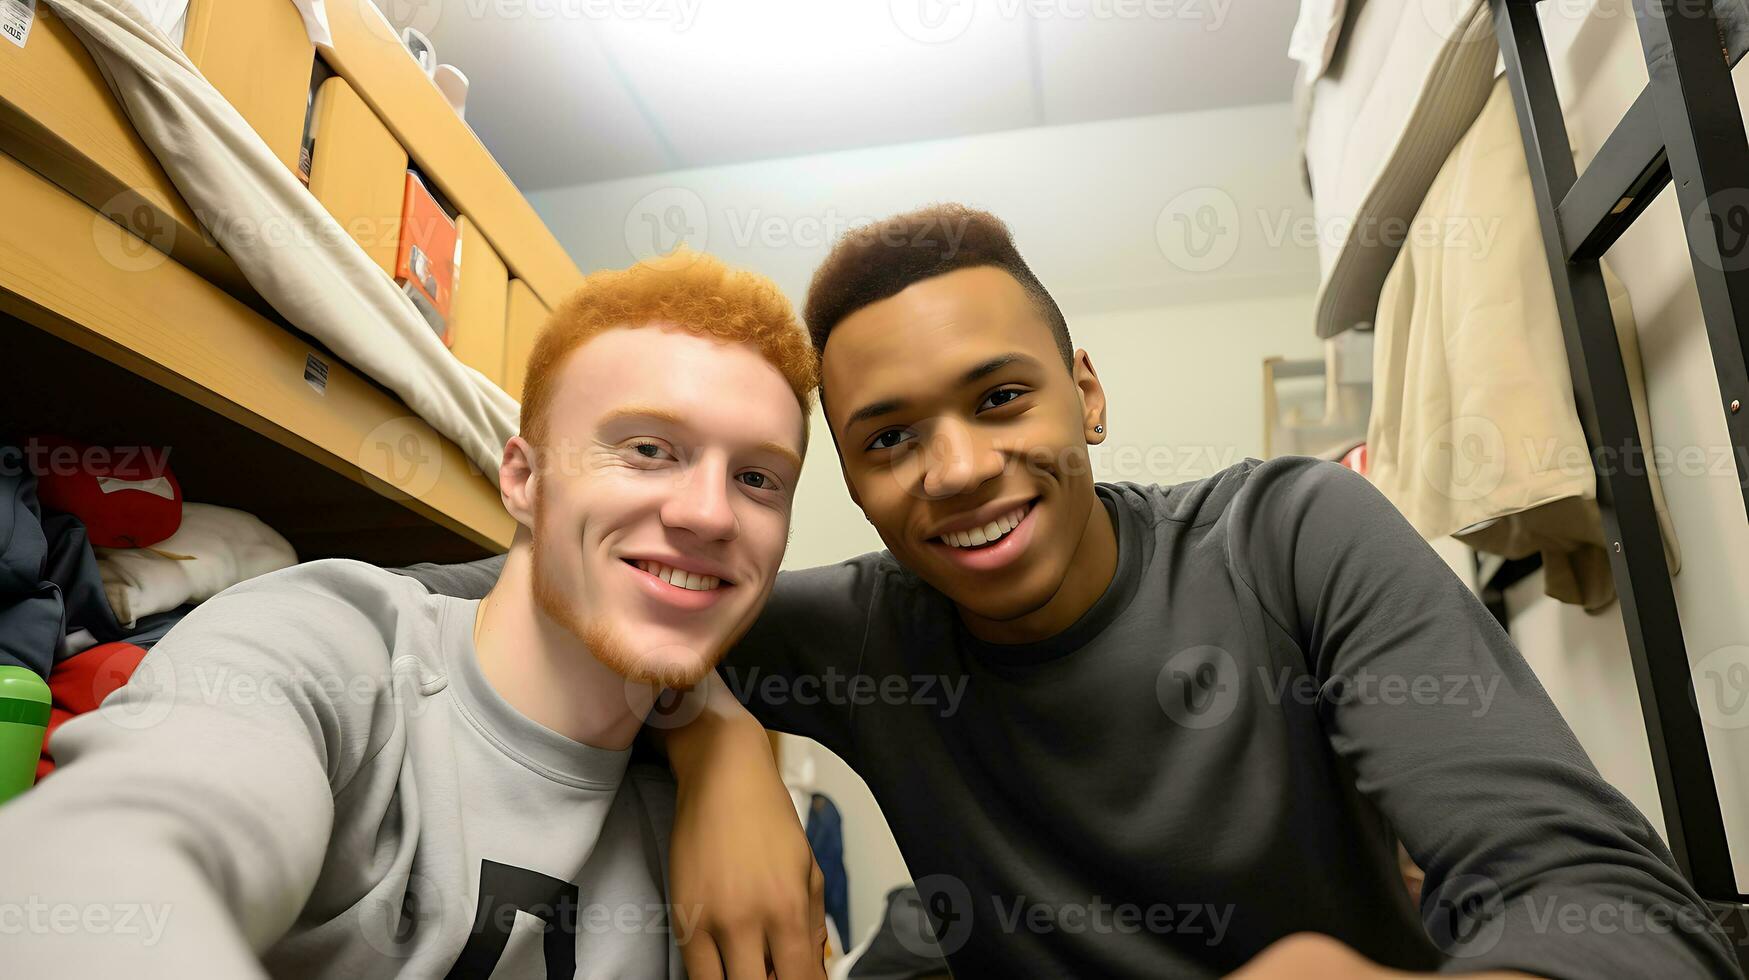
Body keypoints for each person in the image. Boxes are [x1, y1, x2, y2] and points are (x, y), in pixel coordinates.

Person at [399, 208, 1746, 978]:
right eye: (888, 440)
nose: (960, 470)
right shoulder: (860, 631)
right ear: (850, 486)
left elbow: (1621, 912)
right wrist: (716, 741)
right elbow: (480, 603)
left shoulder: (1290, 536)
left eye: (1000, 399)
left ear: (1085, 394)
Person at [0, 251, 829, 979]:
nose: (711, 515)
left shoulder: (713, 833)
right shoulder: (328, 652)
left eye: (759, 479)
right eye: (648, 449)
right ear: (523, 480)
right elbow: (107, 862)